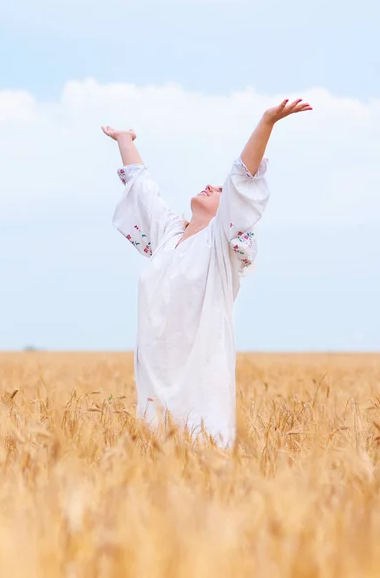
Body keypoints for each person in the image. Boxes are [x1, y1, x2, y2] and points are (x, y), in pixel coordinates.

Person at [102, 98, 312, 447]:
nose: (212, 187)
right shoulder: (168, 237)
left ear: (227, 213)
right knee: (154, 469)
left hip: (199, 379)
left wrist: (267, 122)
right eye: (212, 186)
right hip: (155, 380)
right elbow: (143, 189)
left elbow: (240, 180)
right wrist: (125, 139)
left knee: (202, 459)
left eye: (219, 191)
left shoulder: (219, 247)